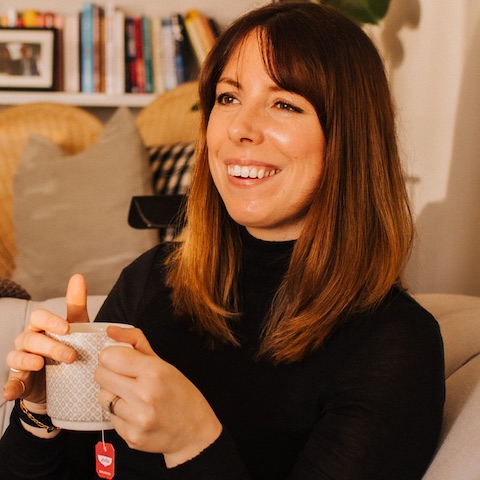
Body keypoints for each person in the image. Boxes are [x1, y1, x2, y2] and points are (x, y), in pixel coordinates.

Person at [0, 2, 445, 479]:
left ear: (349, 138)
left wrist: (193, 441)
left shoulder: (396, 344)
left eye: (285, 103)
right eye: (228, 98)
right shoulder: (152, 279)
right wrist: (43, 413)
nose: (239, 129)